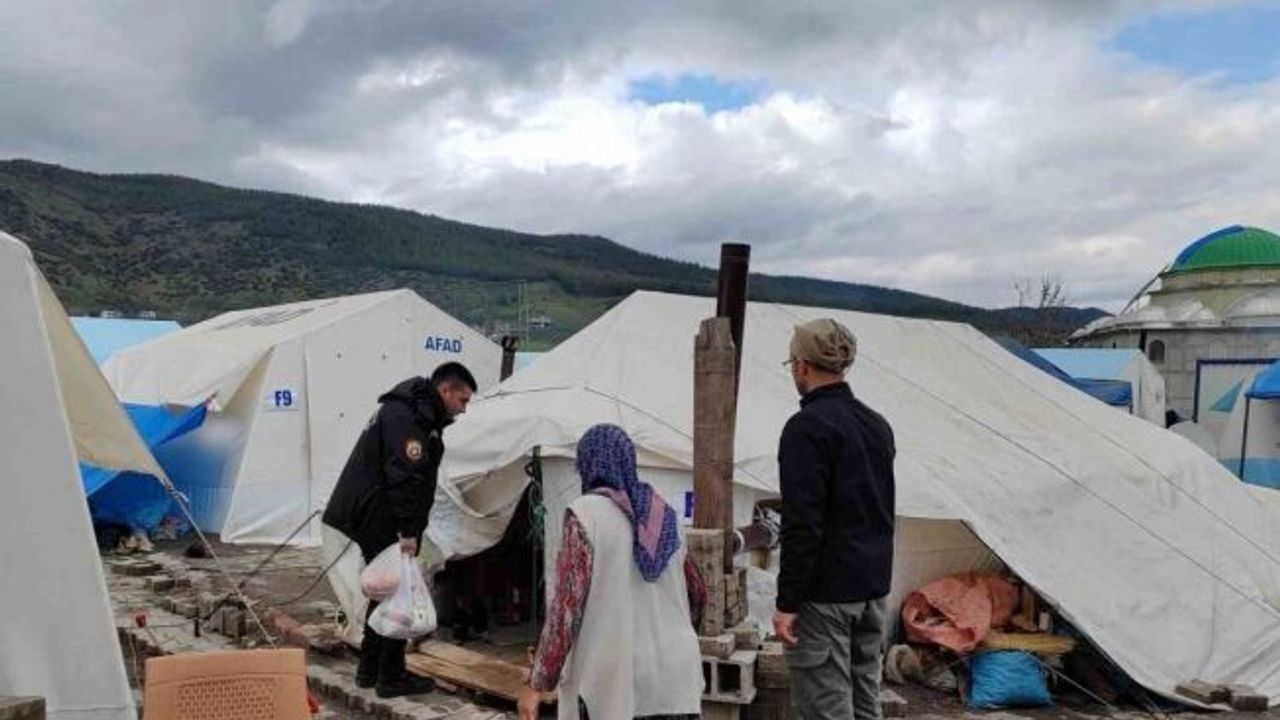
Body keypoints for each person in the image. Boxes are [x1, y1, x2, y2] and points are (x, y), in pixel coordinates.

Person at [517, 424, 706, 720]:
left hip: (617, 681)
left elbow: (566, 610)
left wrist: (537, 683)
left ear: (587, 466)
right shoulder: (664, 515)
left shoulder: (586, 514)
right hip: (677, 677)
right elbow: (697, 594)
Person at [322, 362, 477, 698]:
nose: (464, 409)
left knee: (386, 588)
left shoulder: (415, 412)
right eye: (462, 400)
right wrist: (408, 531)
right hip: (377, 513)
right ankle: (391, 676)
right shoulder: (408, 417)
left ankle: (369, 670)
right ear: (445, 390)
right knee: (397, 593)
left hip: (371, 510)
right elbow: (404, 476)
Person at [772, 319, 896, 720]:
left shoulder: (806, 428)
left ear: (802, 366)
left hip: (826, 595)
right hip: (872, 590)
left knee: (827, 710)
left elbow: (803, 522)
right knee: (864, 706)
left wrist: (788, 601)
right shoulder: (876, 425)